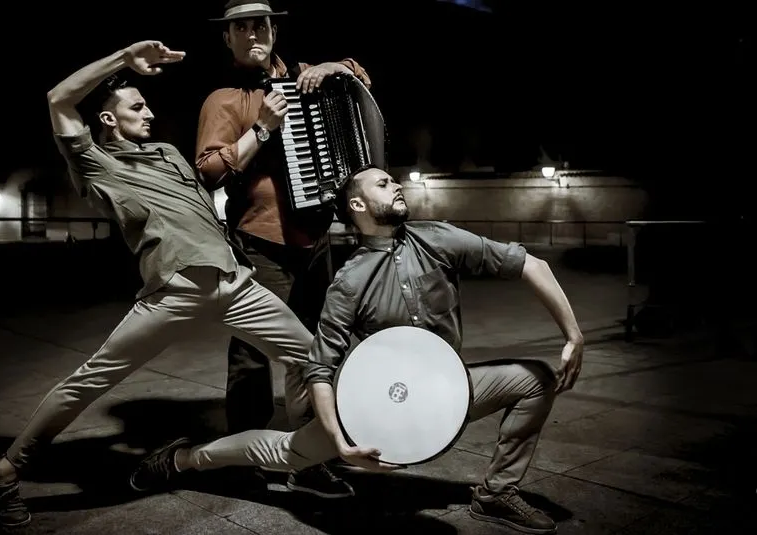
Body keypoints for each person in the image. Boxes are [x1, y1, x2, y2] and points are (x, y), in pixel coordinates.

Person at [129, 165, 586, 535]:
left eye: (395, 179)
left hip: (445, 392)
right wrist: (342, 444)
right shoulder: (349, 281)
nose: (397, 184)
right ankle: (185, 457)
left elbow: (531, 263)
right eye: (384, 183)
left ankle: (495, 495)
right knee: (285, 452)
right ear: (358, 205)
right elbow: (320, 369)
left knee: (535, 380)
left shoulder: (438, 239)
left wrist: (573, 335)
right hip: (371, 406)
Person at [0, 40, 330, 528]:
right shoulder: (95, 163)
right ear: (107, 120)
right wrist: (124, 59)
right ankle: (6, 469)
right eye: (137, 105)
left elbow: (211, 187)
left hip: (236, 283)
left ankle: (306, 464)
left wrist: (264, 132)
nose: (149, 112)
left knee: (313, 358)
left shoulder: (167, 153)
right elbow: (58, 99)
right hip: (174, 290)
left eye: (146, 104)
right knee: (90, 380)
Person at [194, 0, 372, 498]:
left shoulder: (306, 77)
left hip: (316, 238)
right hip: (260, 240)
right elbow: (207, 170)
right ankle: (240, 457)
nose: (254, 34)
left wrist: (335, 67)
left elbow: (359, 80)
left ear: (274, 31)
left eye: (261, 25)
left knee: (316, 350)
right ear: (227, 38)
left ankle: (309, 457)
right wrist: (263, 128)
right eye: (241, 28)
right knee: (253, 355)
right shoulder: (224, 99)